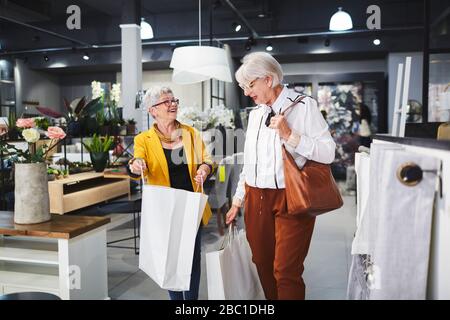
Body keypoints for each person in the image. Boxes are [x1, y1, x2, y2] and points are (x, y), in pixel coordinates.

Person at [225, 52, 336, 300]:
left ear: (269, 78)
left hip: (292, 197)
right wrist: (238, 199)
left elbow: (328, 152)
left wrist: (290, 135)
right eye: (243, 87)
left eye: (250, 85)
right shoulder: (255, 114)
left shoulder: (304, 106)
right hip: (256, 197)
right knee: (262, 263)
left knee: (286, 270)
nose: (246, 92)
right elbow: (250, 161)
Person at [128, 86, 215, 300]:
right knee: (169, 259)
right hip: (163, 208)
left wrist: (204, 168)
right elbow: (136, 161)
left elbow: (207, 160)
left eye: (174, 100)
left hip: (190, 205)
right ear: (153, 110)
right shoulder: (143, 140)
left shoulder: (190, 133)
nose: (173, 104)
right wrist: (136, 165)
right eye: (166, 102)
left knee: (192, 259)